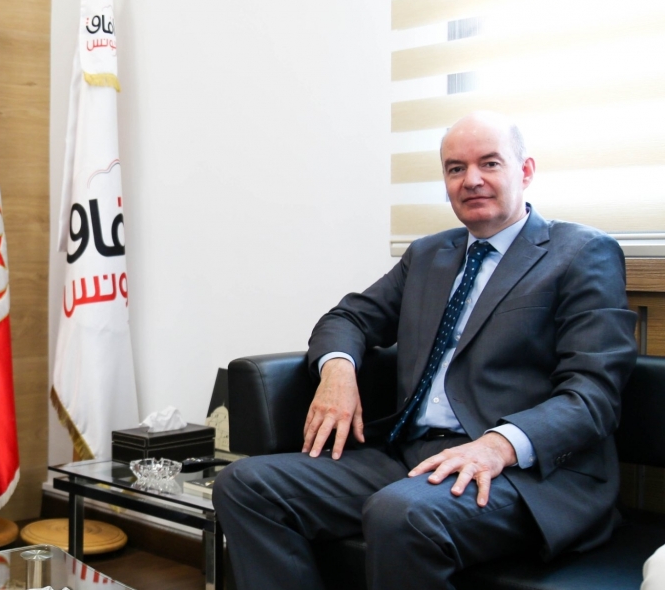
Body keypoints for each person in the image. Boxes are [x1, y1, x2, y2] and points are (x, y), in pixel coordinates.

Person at [213, 112, 638, 589]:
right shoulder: (427, 255)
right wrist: (338, 372)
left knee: (400, 512)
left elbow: (593, 394)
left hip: (527, 472)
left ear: (525, 171)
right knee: (245, 485)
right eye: (456, 168)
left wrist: (497, 445)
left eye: (489, 163)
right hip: (411, 454)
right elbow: (347, 318)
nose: (471, 180)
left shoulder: (581, 253)